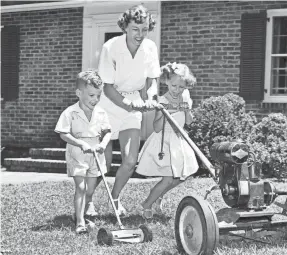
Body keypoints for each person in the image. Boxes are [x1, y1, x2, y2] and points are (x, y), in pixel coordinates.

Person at [90, 4, 160, 216]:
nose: (140, 34)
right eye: (135, 29)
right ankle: (88, 201)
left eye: (144, 29)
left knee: (130, 160)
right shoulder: (111, 47)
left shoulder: (150, 47)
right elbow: (108, 88)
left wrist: (152, 96)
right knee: (105, 162)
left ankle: (115, 198)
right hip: (107, 105)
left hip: (133, 105)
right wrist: (129, 104)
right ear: (125, 28)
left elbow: (152, 79)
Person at [135, 62, 199, 219]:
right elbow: (156, 127)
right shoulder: (162, 100)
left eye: (181, 87)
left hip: (179, 139)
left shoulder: (185, 97)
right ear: (167, 82)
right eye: (174, 86)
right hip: (164, 140)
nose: (177, 90)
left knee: (181, 177)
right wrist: (165, 113)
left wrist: (186, 109)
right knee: (169, 178)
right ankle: (147, 204)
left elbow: (189, 122)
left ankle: (158, 196)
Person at [54, 70, 111, 234]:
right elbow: (63, 133)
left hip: (95, 153)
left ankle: (80, 214)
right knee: (81, 187)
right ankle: (80, 223)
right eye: (92, 95)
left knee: (90, 190)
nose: (96, 100)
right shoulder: (70, 112)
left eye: (98, 96)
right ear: (79, 93)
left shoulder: (101, 112)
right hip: (78, 152)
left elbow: (107, 132)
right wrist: (79, 143)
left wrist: (104, 144)